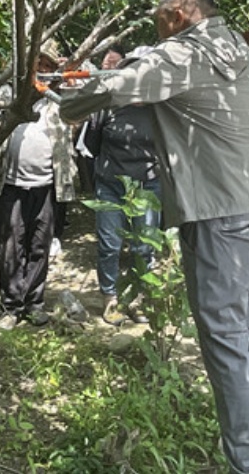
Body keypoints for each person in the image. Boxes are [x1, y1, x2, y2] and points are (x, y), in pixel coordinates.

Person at [61, 0, 249, 474]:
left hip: (218, 215)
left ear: (178, 13)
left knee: (226, 337)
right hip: (241, 206)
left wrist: (59, 99)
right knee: (240, 335)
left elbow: (116, 85)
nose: (156, 27)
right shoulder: (228, 45)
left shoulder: (185, 54)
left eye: (158, 18)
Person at [0, 44, 78, 330]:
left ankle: (34, 303)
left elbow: (81, 115)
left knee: (40, 244)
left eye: (47, 66)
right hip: (12, 183)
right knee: (11, 246)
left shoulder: (60, 99)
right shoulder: (9, 98)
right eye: (36, 65)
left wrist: (72, 86)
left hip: (48, 185)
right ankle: (10, 307)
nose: (42, 71)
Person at [80, 48, 161, 326]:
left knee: (143, 247)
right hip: (111, 185)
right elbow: (91, 144)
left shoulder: (161, 107)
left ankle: (138, 300)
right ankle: (110, 298)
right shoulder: (111, 105)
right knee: (109, 245)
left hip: (148, 186)